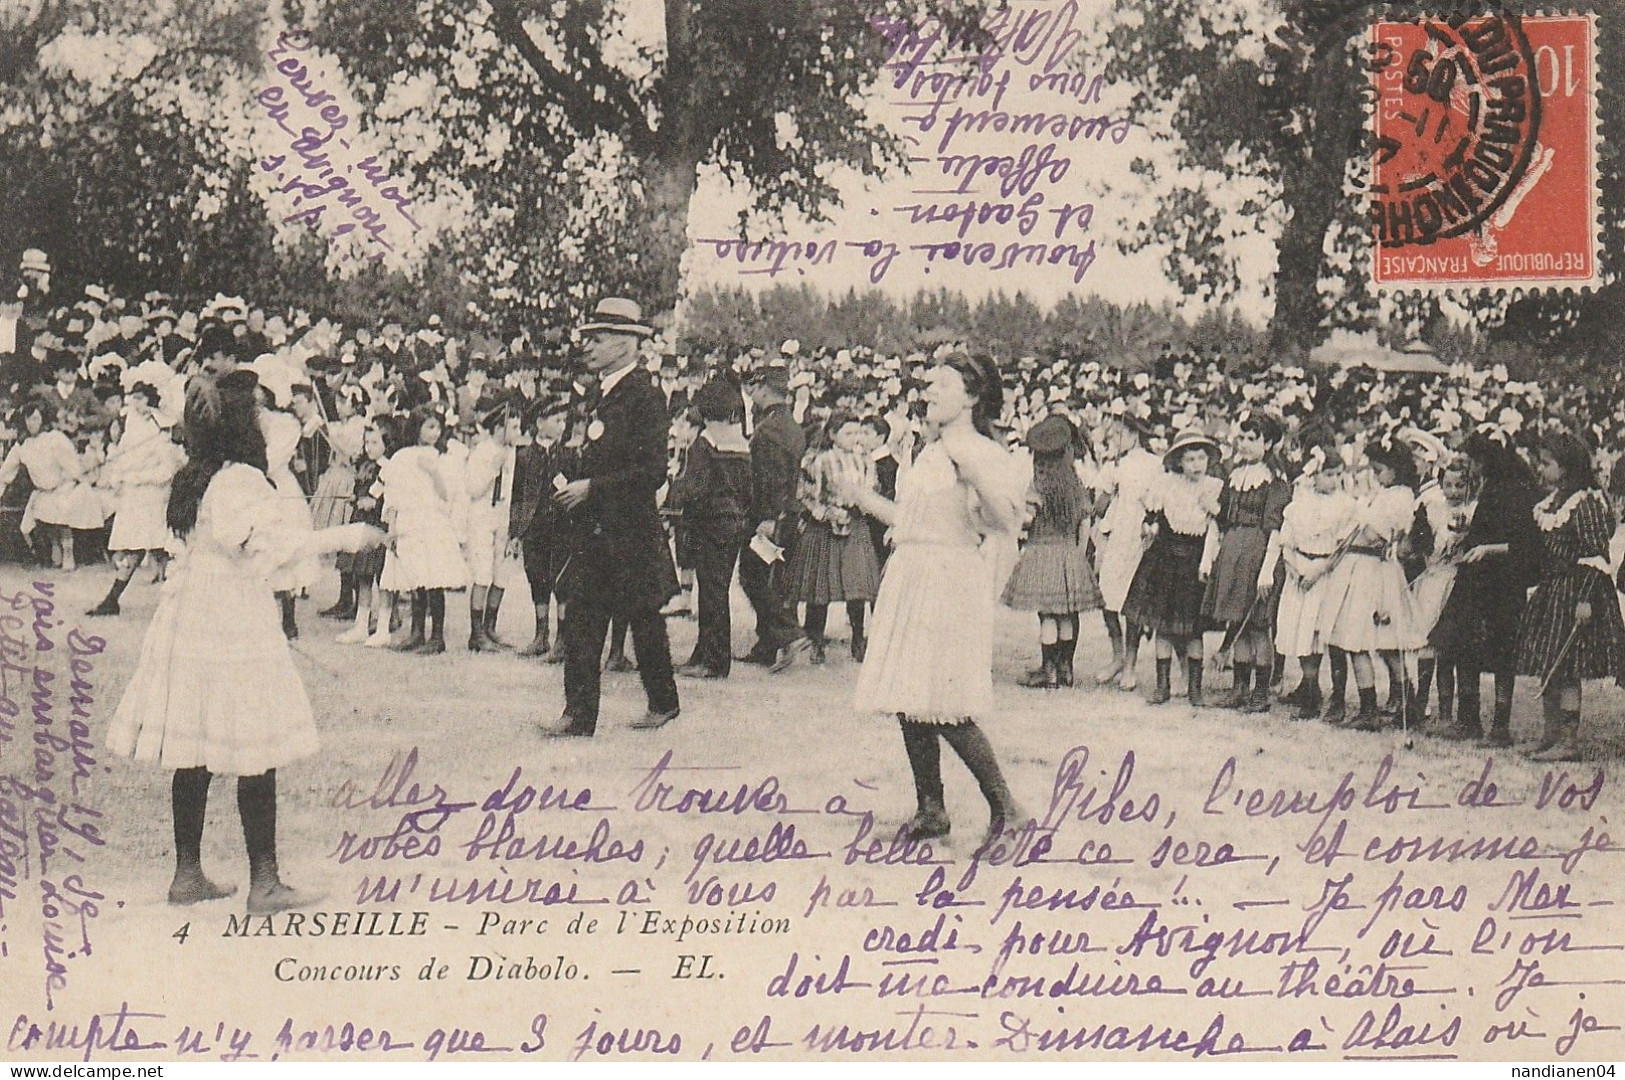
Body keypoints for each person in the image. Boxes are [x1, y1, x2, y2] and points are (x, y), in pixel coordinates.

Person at [105, 369, 385, 914]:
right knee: (255, 744)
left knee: (195, 746)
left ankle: (188, 875)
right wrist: (351, 536)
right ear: (245, 429)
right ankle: (265, 882)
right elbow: (269, 548)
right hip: (231, 618)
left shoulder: (196, 476)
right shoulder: (239, 481)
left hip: (190, 615)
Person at [843, 352, 1027, 847]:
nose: (931, 393)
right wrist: (859, 495)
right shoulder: (929, 451)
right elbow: (907, 520)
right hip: (912, 570)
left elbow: (1007, 520)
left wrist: (974, 474)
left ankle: (1007, 809)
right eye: (931, 384)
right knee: (909, 694)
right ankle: (931, 808)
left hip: (949, 577)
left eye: (943, 386)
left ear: (972, 397)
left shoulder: (982, 451)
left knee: (945, 701)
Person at [543, 298, 681, 737]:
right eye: (589, 338)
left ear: (627, 344)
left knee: (644, 618)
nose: (589, 346)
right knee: (582, 617)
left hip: (629, 531)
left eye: (598, 338)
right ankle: (579, 715)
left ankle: (663, 701)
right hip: (594, 530)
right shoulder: (599, 392)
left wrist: (594, 488)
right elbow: (596, 451)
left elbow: (653, 471)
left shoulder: (645, 395)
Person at [1515, 431, 1625, 762]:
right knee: (1549, 662)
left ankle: (1568, 740)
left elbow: (1596, 556)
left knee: (1567, 667)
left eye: (1547, 463)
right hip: (1553, 591)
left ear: (1566, 467)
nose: (1541, 468)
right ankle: (1549, 735)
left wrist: (1585, 601)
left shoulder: (1587, 502)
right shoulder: (1555, 501)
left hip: (1578, 591)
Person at [1430, 430, 1540, 745]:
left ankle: (1499, 727)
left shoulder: (1516, 490)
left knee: (1500, 651)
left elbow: (1524, 544)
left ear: (1485, 461)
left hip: (1502, 581)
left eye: (1473, 462)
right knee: (1465, 644)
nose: (1471, 469)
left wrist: (1488, 548)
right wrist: (1468, 538)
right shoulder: (1495, 487)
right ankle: (1470, 720)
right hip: (1479, 580)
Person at [1316, 441, 1418, 731]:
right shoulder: (1389, 494)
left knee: (1359, 640)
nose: (1375, 475)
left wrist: (1348, 532)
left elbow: (1374, 535)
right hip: (1365, 569)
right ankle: (1399, 702)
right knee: (1378, 642)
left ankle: (1374, 708)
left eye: (1379, 470)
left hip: (1368, 570)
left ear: (1395, 470)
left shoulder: (1396, 498)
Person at [1121, 429, 1223, 706]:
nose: (1196, 465)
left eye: (1201, 458)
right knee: (1163, 627)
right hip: (1165, 560)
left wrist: (1207, 561)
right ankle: (1162, 685)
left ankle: (1195, 689)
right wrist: (1149, 526)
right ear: (1179, 462)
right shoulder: (1166, 485)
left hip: (1194, 563)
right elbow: (1151, 516)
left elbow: (1216, 529)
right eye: (1190, 459)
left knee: (1193, 630)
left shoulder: (1213, 487)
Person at [1002, 414, 1100, 688]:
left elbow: (1027, 519)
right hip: (1068, 552)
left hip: (1041, 552)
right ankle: (1066, 668)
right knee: (1066, 613)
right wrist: (1079, 552)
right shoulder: (1074, 482)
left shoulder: (1038, 484)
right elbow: (1085, 519)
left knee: (1047, 614)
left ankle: (1049, 670)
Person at [1203, 413, 1291, 711]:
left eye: (1253, 438)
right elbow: (1224, 515)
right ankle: (1239, 688)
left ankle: (1260, 692)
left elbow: (1276, 529)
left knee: (1257, 624)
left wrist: (1267, 571)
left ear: (1267, 442)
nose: (1245, 444)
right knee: (1236, 618)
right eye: (1242, 437)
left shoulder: (1275, 480)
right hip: (1233, 552)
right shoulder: (1235, 474)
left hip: (1257, 553)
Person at [668, 378, 753, 679]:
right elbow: (748, 490)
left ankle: (713, 661)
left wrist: (674, 492)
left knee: (710, 593)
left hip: (708, 522)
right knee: (718, 590)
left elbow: (693, 487)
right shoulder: (740, 441)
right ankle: (706, 655)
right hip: (733, 523)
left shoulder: (705, 442)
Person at [786, 411, 882, 664]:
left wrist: (862, 506)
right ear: (832, 434)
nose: (855, 438)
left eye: (858, 433)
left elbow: (873, 492)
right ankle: (815, 641)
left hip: (856, 523)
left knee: (857, 585)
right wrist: (826, 513)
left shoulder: (865, 462)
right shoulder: (820, 461)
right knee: (821, 586)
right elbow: (805, 495)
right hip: (826, 527)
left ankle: (859, 639)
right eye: (848, 433)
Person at [1275, 447, 1358, 719]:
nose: (1333, 481)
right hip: (1299, 570)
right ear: (1314, 475)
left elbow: (1341, 548)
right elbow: (1285, 541)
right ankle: (1310, 692)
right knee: (1301, 634)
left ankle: (1338, 699)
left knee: (1325, 635)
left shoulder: (1346, 505)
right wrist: (1294, 569)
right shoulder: (1299, 504)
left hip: (1326, 574)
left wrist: (1318, 571)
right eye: (1328, 475)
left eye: (1338, 475)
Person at [738, 364, 811, 671]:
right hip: (789, 515)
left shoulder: (768, 429)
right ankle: (766, 644)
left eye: (755, 388)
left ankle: (790, 634)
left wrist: (766, 518)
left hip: (771, 518)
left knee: (752, 576)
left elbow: (771, 479)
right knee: (773, 578)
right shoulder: (791, 425)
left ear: (765, 389)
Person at [88, 381, 183, 615]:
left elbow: (167, 470)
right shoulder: (131, 423)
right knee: (134, 547)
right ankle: (112, 600)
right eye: (133, 397)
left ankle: (176, 601)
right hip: (134, 497)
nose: (135, 402)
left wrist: (138, 477)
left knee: (163, 549)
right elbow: (123, 456)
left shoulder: (162, 427)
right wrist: (119, 475)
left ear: (150, 399)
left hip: (154, 496)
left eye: (141, 398)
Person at [378, 407, 468, 654]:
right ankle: (416, 632)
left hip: (433, 522)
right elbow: (393, 494)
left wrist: (434, 472)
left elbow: (447, 494)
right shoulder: (402, 457)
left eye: (437, 427)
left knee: (434, 579)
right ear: (416, 428)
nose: (434, 432)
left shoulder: (445, 458)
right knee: (415, 578)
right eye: (429, 426)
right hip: (410, 522)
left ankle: (437, 637)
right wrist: (393, 528)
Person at [1091, 414, 1162, 690]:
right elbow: (1101, 498)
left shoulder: (1153, 464)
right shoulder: (1113, 465)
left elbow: (1157, 501)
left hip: (1139, 537)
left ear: (1134, 435)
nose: (1114, 440)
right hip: (1116, 536)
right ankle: (1117, 655)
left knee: (1133, 603)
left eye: (1119, 434)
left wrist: (1152, 526)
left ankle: (1130, 664)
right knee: (1107, 599)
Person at [510, 398, 571, 659]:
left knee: (562, 580)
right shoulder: (523, 456)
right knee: (537, 578)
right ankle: (541, 635)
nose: (562, 425)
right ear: (539, 423)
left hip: (561, 526)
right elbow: (516, 497)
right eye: (556, 420)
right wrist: (515, 532)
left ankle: (563, 640)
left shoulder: (568, 455)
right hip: (534, 528)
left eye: (563, 420)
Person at [0, 399, 86, 570]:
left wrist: (75, 480)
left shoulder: (55, 438)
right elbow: (6, 471)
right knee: (38, 519)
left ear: (43, 419)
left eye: (36, 418)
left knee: (62, 514)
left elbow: (72, 464)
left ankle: (68, 553)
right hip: (42, 491)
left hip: (63, 487)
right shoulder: (22, 445)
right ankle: (54, 551)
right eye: (29, 418)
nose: (32, 423)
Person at [462, 400, 518, 651]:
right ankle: (476, 634)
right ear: (499, 427)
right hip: (483, 513)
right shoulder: (483, 451)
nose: (517, 433)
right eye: (513, 427)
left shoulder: (514, 452)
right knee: (483, 572)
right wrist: (493, 468)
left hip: (503, 514)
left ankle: (489, 627)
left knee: (501, 571)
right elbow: (473, 489)